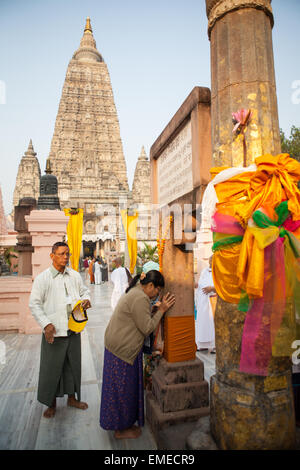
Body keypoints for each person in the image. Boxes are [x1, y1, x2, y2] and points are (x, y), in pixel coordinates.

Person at [100, 270, 175, 439]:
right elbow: (147, 327)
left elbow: (140, 318)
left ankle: (123, 424)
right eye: (157, 291)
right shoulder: (140, 298)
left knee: (121, 389)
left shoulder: (135, 291)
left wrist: (155, 309)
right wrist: (162, 310)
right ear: (149, 286)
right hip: (122, 349)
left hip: (117, 346)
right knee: (122, 390)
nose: (157, 295)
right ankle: (121, 429)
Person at [29, 241, 91, 418]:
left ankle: (72, 399)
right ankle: (51, 404)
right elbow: (34, 304)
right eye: (62, 254)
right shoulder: (43, 279)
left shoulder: (74, 275)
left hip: (73, 329)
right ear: (52, 256)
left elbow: (84, 291)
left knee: (73, 367)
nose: (65, 257)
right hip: (54, 332)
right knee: (52, 369)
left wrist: (86, 299)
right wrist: (46, 324)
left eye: (68, 254)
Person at [195, 256, 216, 353]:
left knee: (213, 323)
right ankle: (203, 345)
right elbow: (201, 283)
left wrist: (212, 288)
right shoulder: (204, 271)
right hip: (203, 301)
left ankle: (214, 345)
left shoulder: (220, 271)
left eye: (213, 260)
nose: (211, 261)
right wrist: (197, 285)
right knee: (203, 322)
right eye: (210, 260)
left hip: (213, 299)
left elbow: (222, 285)